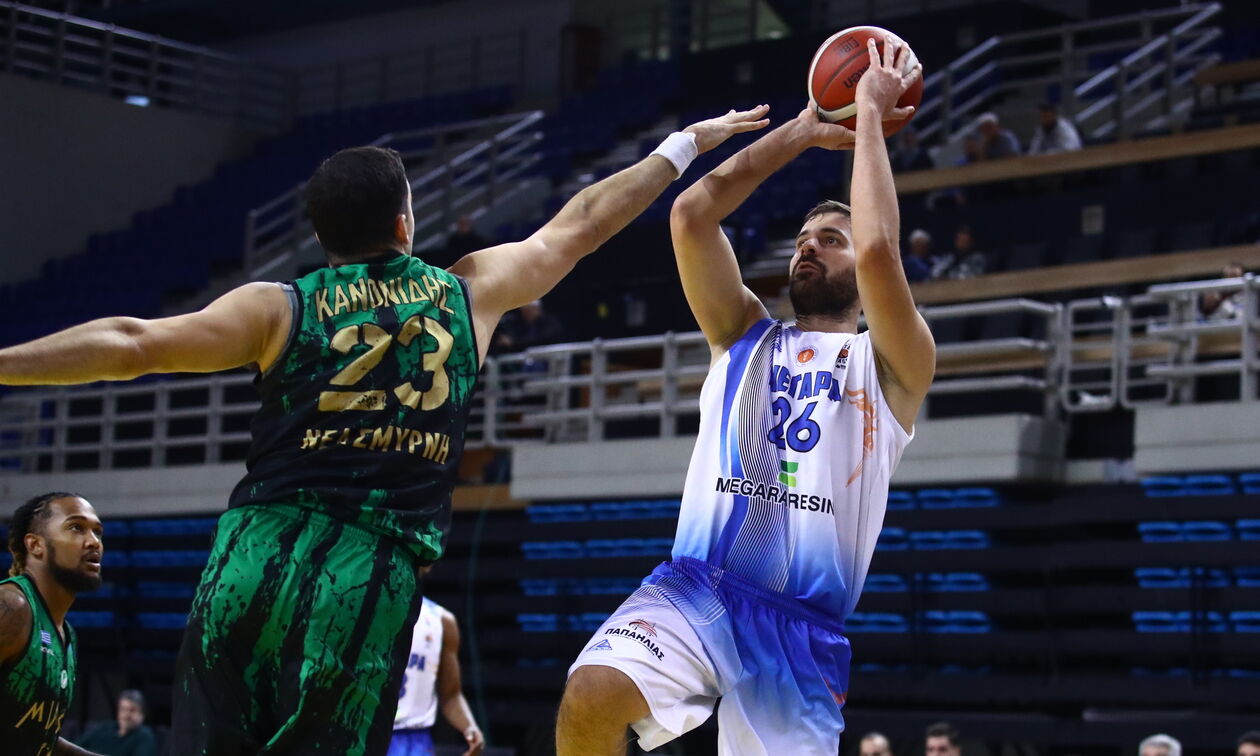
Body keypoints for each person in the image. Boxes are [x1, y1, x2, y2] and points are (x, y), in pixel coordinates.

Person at [0, 108, 768, 755]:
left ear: (324, 234)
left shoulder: (277, 306)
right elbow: (584, 223)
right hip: (362, 579)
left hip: (249, 562)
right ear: (405, 219)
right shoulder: (467, 294)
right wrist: (684, 146)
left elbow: (132, 342)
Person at [557, 36, 932, 756]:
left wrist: (871, 123)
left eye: (830, 239)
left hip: (798, 625)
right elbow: (691, 216)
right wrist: (802, 131)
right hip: (696, 586)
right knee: (592, 692)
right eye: (802, 237)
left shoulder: (889, 362)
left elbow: (883, 252)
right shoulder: (742, 334)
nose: (808, 248)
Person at [1, 492, 105, 756]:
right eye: (76, 528)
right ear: (36, 545)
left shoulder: (66, 634)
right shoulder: (12, 608)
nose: (94, 542)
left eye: (98, 532)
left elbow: (35, 738)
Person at [389, 584, 483, 756]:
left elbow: (451, 695)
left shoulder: (440, 620)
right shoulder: (356, 607)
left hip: (413, 739)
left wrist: (470, 727)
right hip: (363, 730)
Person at [76, 689, 158, 756]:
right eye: (123, 709)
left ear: (142, 714)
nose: (126, 715)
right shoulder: (105, 728)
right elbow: (75, 747)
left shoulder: (144, 736)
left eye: (132, 710)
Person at [491, 299, 566, 354]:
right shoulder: (522, 324)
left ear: (537, 309)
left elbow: (541, 340)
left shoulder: (550, 322)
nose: (525, 314)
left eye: (528, 311)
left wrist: (513, 342)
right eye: (523, 311)